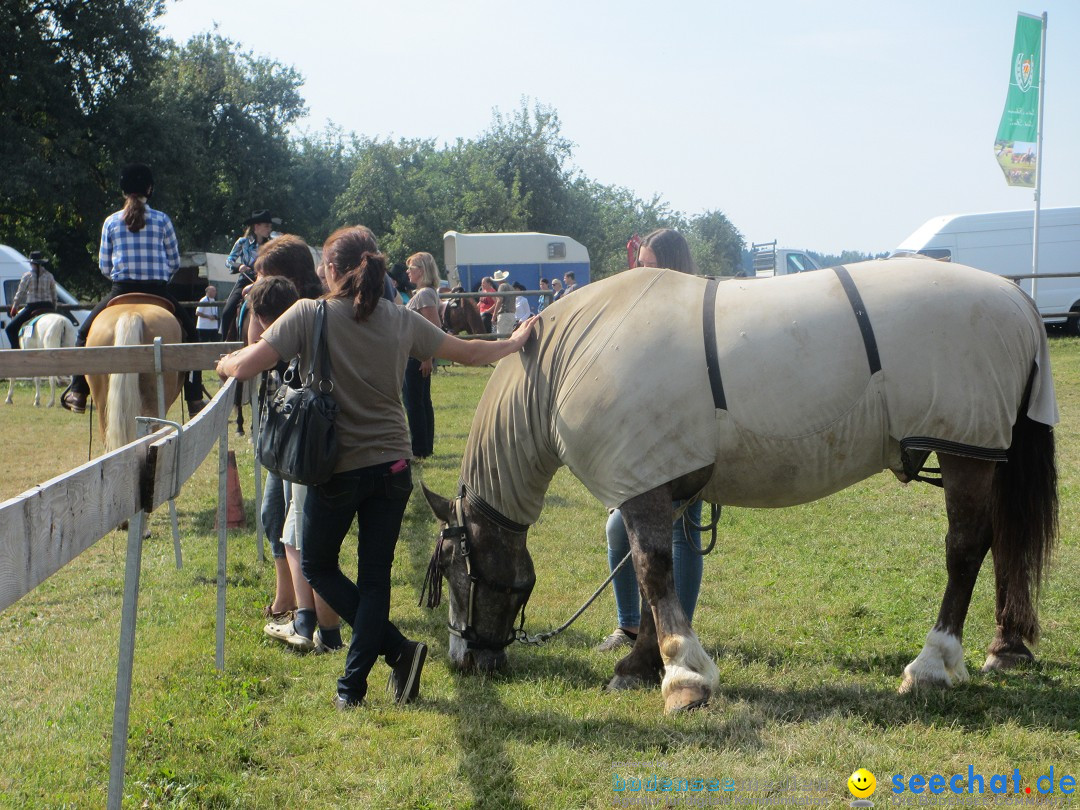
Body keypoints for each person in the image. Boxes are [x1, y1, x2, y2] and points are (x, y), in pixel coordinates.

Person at [216, 224, 538, 709]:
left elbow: (245, 365)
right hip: (393, 467)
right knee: (374, 579)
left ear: (329, 269)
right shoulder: (400, 318)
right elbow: (468, 352)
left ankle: (388, 660)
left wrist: (223, 364)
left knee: (321, 567)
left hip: (337, 469)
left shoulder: (310, 314)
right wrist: (514, 341)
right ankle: (375, 671)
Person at [596, 227, 704, 652]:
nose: (640, 275)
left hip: (688, 438)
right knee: (618, 529)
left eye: (649, 267)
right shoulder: (639, 311)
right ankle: (629, 626)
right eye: (639, 266)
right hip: (646, 441)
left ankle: (679, 629)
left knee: (685, 533)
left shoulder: (695, 311)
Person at [245, 264, 345, 656]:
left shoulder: (281, 342)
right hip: (316, 445)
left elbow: (251, 353)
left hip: (303, 448)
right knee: (297, 533)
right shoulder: (314, 326)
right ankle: (310, 621)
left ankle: (318, 628)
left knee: (301, 538)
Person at [60, 164, 205, 415]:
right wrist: (161, 277)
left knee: (83, 334)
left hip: (120, 290)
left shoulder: (111, 222)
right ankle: (194, 397)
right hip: (158, 291)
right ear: (150, 189)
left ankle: (78, 391)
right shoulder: (162, 220)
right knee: (193, 337)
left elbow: (104, 265)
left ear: (123, 190)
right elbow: (174, 262)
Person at [402, 252, 441, 460]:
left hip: (417, 355)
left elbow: (433, 328)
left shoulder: (424, 294)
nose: (408, 271)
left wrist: (427, 357)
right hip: (419, 354)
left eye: (412, 268)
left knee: (414, 402)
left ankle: (419, 449)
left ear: (422, 271)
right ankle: (424, 447)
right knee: (421, 401)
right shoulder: (427, 292)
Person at [219, 209, 275, 341]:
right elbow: (229, 261)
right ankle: (224, 342)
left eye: (270, 226)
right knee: (227, 311)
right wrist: (239, 266)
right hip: (246, 279)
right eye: (267, 226)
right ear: (257, 227)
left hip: (267, 281)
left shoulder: (272, 244)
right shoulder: (242, 242)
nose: (269, 229)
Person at [6, 250, 60, 349]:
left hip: (33, 306)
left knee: (10, 329)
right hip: (48, 306)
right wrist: (54, 308)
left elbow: (20, 293)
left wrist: (14, 307)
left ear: (31, 263)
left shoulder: (27, 276)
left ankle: (16, 351)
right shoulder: (49, 276)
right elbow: (54, 295)